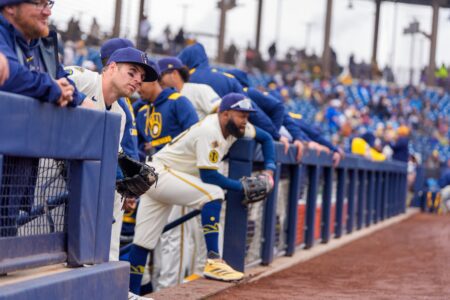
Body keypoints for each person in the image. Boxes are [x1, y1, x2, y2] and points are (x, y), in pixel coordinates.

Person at [128, 93, 276, 295]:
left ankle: (132, 293)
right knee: (213, 193)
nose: (245, 121)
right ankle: (214, 260)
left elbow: (266, 138)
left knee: (142, 242)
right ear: (225, 114)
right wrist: (241, 187)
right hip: (160, 174)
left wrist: (269, 169)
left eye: (247, 116)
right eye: (241, 115)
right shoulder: (210, 129)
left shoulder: (236, 128)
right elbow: (209, 177)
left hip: (160, 175)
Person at [0, 0, 82, 237]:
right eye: (38, 4)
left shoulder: (38, 44)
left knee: (6, 245)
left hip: (16, 170)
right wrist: (52, 88)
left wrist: (62, 90)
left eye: (49, 3)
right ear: (10, 7)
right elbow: (12, 76)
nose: (47, 11)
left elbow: (69, 87)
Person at [135, 69, 199, 157]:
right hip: (150, 165)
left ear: (153, 81)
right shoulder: (141, 112)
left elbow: (193, 133)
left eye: (140, 84)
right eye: (136, 84)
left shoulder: (178, 101)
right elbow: (138, 144)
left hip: (177, 163)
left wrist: (158, 145)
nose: (137, 89)